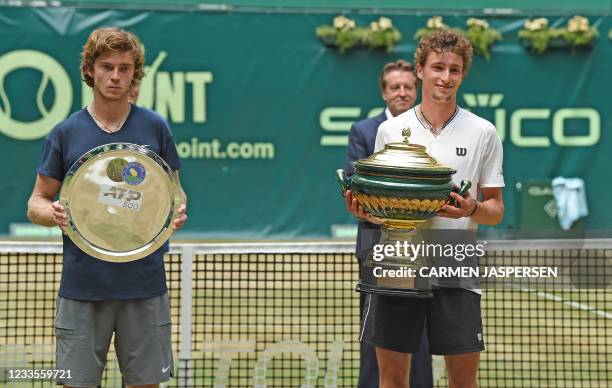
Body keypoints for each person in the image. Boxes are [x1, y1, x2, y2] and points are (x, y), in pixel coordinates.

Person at [26, 27, 187, 388]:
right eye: (107, 66)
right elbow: (36, 202)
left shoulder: (155, 127)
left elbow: (173, 192)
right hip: (83, 286)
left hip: (144, 284)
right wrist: (48, 213)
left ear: (134, 73)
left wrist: (175, 211)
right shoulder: (65, 133)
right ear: (91, 70)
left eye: (125, 68)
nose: (115, 76)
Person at [346, 29, 505, 388]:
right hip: (397, 266)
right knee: (392, 380)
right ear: (420, 70)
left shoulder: (483, 132)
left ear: (463, 74)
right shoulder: (389, 130)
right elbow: (383, 210)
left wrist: (470, 208)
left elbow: (495, 209)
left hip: (456, 268)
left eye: (454, 70)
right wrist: (365, 211)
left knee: (463, 382)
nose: (445, 78)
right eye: (437, 67)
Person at [345, 60, 433, 388]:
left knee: (421, 328)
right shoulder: (364, 132)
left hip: (424, 247)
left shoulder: (431, 130)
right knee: (376, 329)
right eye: (395, 87)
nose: (402, 93)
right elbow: (356, 182)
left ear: (416, 90)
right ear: (384, 92)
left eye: (408, 87)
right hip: (377, 247)